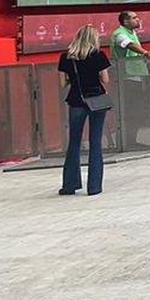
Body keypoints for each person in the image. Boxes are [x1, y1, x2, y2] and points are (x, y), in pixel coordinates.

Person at [59, 25, 111, 196]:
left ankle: (70, 185)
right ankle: (94, 187)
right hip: (97, 100)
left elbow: (63, 83)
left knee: (74, 142)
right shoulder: (98, 55)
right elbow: (105, 79)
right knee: (95, 142)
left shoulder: (66, 57)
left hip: (76, 100)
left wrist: (75, 79)